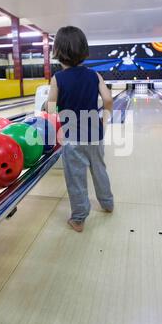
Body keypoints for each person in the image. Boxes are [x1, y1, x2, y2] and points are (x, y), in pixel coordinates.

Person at [46, 26, 114, 232]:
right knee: (100, 170)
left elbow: (50, 108)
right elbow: (109, 99)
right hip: (95, 135)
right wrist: (104, 121)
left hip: (72, 138)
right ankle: (107, 203)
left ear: (57, 51)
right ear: (84, 50)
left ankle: (78, 218)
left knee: (76, 178)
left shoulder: (57, 78)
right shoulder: (95, 75)